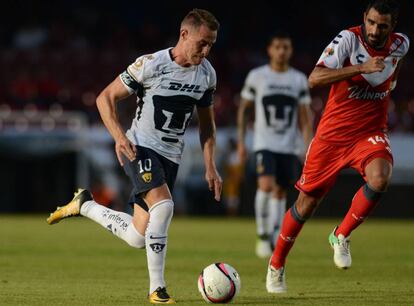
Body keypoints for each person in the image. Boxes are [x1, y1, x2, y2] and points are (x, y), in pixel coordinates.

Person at [47, 9, 222, 304]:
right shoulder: (150, 65)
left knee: (137, 237)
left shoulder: (207, 75)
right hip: (139, 147)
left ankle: (85, 206)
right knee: (164, 206)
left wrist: (210, 166)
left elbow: (207, 126)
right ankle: (157, 289)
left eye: (211, 45)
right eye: (202, 43)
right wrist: (119, 136)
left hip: (171, 157)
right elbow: (106, 98)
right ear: (184, 34)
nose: (206, 51)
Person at [266, 0, 409, 293]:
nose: (374, 29)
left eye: (382, 25)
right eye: (370, 22)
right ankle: (276, 264)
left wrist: (390, 84)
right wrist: (361, 67)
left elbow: (395, 68)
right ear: (364, 19)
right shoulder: (347, 40)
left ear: (392, 26)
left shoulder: (401, 44)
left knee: (380, 178)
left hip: (368, 133)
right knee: (306, 205)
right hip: (331, 137)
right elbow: (314, 78)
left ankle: (341, 234)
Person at [237, 32, 313, 258]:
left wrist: (309, 147)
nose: (282, 51)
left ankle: (274, 235)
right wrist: (242, 142)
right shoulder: (257, 76)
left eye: (286, 47)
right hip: (264, 144)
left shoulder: (298, 79)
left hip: (288, 146)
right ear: (269, 50)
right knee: (266, 185)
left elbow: (305, 118)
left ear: (291, 51)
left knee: (280, 191)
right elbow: (244, 110)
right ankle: (262, 236)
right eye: (278, 46)